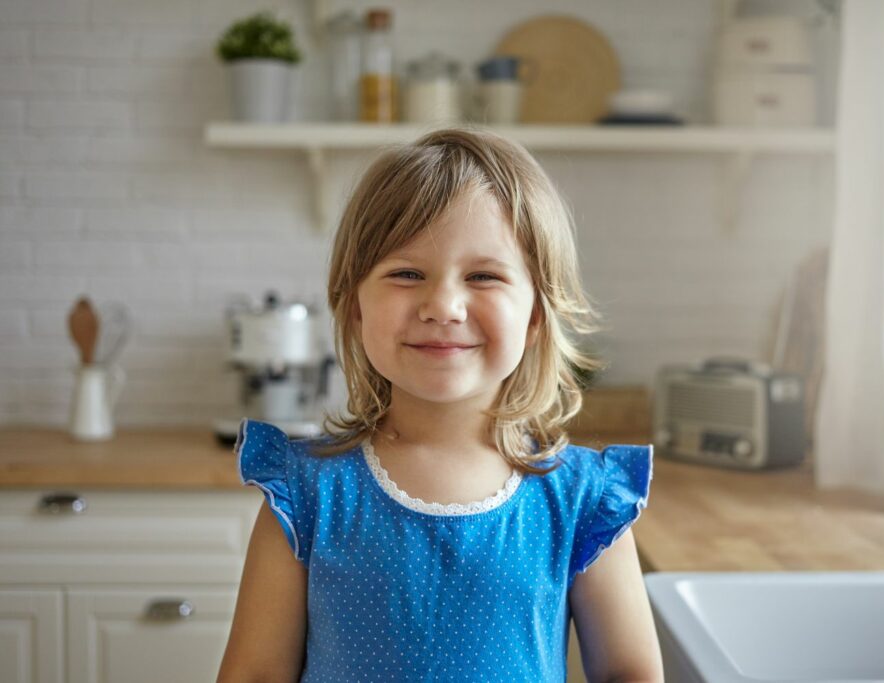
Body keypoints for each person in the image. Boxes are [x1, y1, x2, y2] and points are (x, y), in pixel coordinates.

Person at [217, 128, 663, 682]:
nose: (444, 306)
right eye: (407, 274)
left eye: (483, 276)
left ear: (535, 315)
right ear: (354, 306)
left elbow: (630, 673)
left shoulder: (584, 502)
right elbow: (255, 674)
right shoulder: (304, 493)